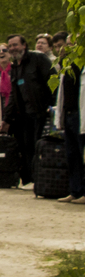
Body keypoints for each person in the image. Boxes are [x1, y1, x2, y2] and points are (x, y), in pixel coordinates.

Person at [4, 33, 53, 185]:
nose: (13, 48)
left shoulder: (38, 59)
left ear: (24, 45)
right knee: (27, 146)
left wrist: (52, 107)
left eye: (15, 45)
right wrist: (6, 118)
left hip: (42, 113)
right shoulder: (15, 67)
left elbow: (53, 82)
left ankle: (42, 179)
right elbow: (13, 94)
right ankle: (31, 179)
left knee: (41, 147)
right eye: (10, 46)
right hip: (24, 115)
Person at [53, 33, 85, 204]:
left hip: (82, 115)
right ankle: (75, 190)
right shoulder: (66, 65)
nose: (69, 47)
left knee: (82, 154)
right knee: (72, 155)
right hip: (70, 114)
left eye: (73, 43)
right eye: (68, 43)